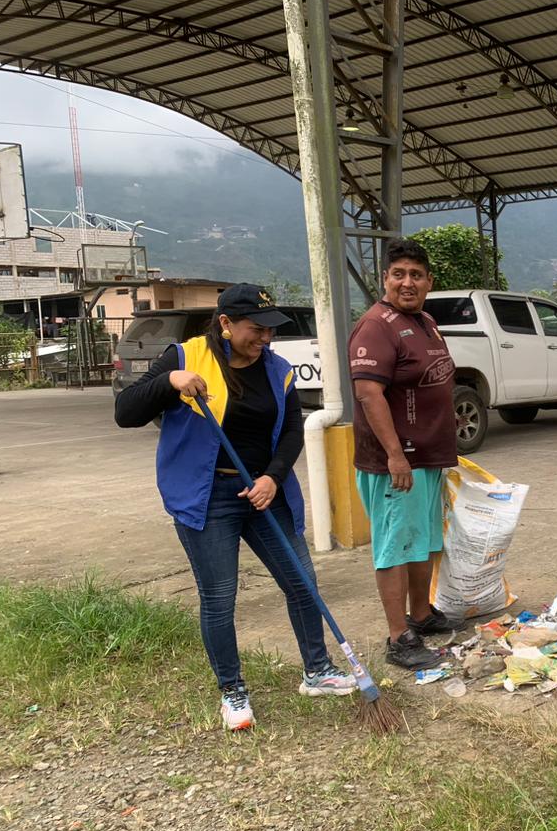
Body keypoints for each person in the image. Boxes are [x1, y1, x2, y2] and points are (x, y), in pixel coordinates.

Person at [114, 284, 354, 732]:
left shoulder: (277, 370)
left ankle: (318, 671)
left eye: (270, 330)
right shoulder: (185, 357)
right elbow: (125, 412)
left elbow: (292, 432)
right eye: (256, 329)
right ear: (225, 323)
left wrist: (273, 477)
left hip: (264, 492)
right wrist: (169, 382)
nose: (265, 338)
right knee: (220, 597)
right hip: (208, 498)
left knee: (302, 582)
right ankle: (232, 690)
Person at [347, 238, 456, 671]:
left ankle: (422, 614)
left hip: (427, 457)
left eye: (416, 275)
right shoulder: (376, 325)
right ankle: (398, 637)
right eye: (398, 274)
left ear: (429, 282)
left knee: (424, 540)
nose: (407, 282)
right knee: (395, 546)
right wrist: (395, 455)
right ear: (385, 279)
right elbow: (368, 393)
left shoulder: (425, 321)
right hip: (396, 462)